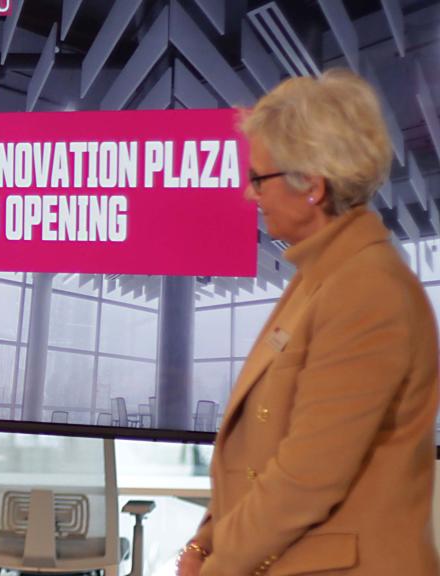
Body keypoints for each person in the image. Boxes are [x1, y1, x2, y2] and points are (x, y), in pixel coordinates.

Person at [178, 70, 439, 575]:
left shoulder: (368, 290)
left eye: (258, 178)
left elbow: (307, 477)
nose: (250, 195)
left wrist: (217, 565)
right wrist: (202, 545)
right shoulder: (319, 278)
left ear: (313, 187)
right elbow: (257, 453)